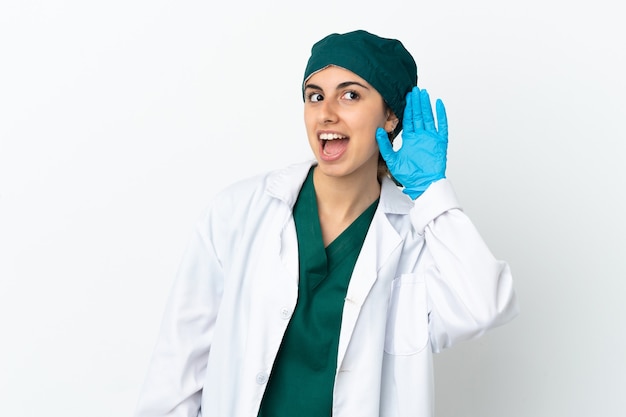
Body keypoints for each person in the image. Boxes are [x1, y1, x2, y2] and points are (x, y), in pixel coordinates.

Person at [134, 29, 519, 417]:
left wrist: (431, 193)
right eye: (315, 96)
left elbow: (485, 306)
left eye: (350, 95)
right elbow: (176, 374)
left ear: (390, 115)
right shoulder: (239, 213)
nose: (327, 113)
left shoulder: (418, 239)